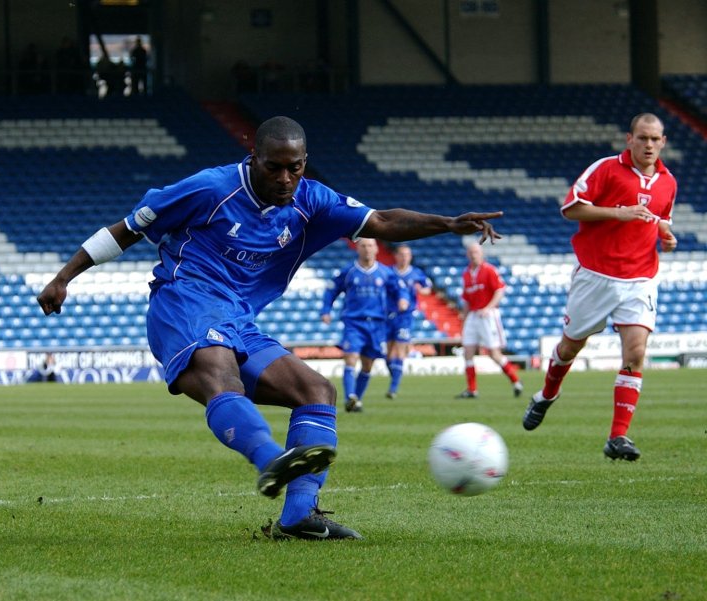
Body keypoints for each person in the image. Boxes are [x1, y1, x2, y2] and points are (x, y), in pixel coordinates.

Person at [37, 116, 502, 540]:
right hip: (184, 302)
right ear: (253, 158)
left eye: (294, 168)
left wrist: (446, 223)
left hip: (238, 316)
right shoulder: (209, 188)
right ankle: (269, 460)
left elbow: (379, 220)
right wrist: (63, 277)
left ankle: (299, 515)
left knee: (317, 392)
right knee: (222, 376)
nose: (285, 179)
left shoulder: (311, 199)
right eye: (274, 167)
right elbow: (127, 228)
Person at [523, 113, 677, 461]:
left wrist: (666, 236)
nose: (649, 144)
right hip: (595, 274)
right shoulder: (606, 169)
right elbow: (570, 208)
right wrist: (617, 213)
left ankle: (618, 437)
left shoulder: (668, 181)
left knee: (636, 353)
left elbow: (661, 219)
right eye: (642, 138)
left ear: (663, 142)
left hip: (640, 277)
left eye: (655, 139)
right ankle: (546, 395)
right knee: (570, 347)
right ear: (629, 139)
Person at [320, 238, 405, 413]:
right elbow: (331, 289)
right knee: (350, 358)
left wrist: (403, 299)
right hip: (354, 323)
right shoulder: (349, 271)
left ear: (376, 249)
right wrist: (326, 310)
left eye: (370, 246)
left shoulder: (385, 272)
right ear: (357, 248)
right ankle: (349, 396)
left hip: (377, 325)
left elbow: (399, 288)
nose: (367, 249)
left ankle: (356, 400)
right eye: (363, 246)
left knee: (367, 365)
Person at [456, 242, 522, 399]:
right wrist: (464, 319)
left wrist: (489, 308)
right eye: (471, 252)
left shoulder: (489, 270)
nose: (474, 255)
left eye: (476, 252)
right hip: (473, 315)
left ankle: (516, 381)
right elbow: (466, 299)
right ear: (467, 255)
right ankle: (472, 389)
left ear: (482, 254)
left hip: (487, 315)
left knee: (494, 353)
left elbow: (500, 290)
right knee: (468, 352)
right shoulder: (466, 274)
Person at [384, 243, 431, 399]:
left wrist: (420, 289)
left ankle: (393, 389)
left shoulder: (416, 273)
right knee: (388, 355)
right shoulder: (389, 272)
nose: (404, 258)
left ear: (410, 257)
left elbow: (427, 288)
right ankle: (395, 375)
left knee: (399, 349)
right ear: (396, 256)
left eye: (407, 255)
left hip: (405, 316)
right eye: (402, 254)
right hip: (388, 315)